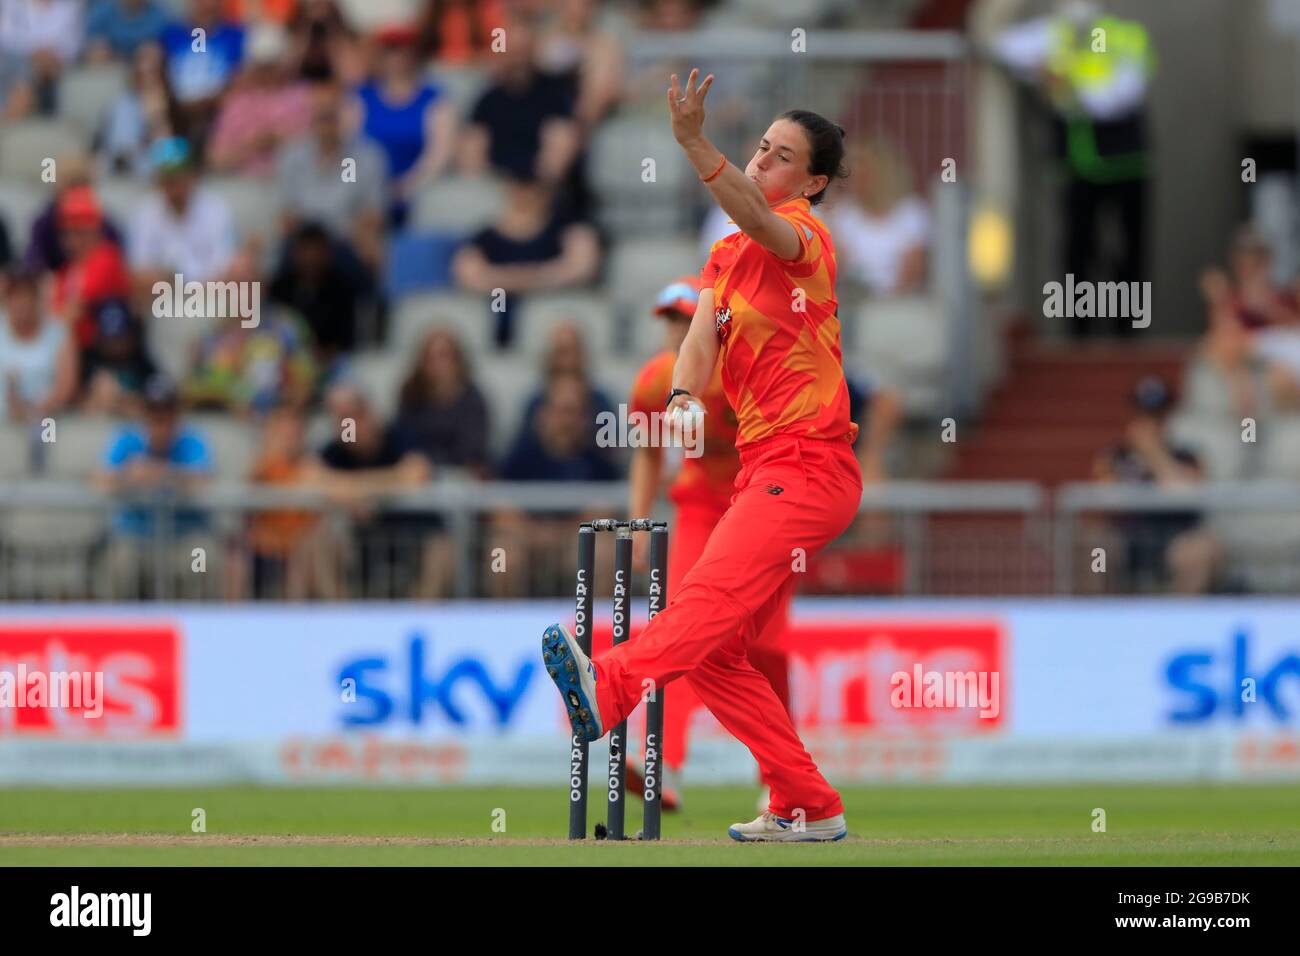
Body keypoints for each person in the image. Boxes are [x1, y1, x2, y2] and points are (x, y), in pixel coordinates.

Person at [542, 71, 860, 842]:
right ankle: (808, 804)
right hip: (765, 469)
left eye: (783, 157)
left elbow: (756, 212)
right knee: (715, 652)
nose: (762, 164)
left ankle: (610, 686)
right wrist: (685, 397)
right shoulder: (724, 258)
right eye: (760, 148)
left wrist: (691, 142)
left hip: (811, 464)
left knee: (705, 606)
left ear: (812, 183)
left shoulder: (807, 241)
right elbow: (699, 338)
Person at [623, 274, 795, 813]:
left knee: (765, 645)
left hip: (764, 505)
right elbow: (648, 453)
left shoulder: (749, 370)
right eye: (669, 320)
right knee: (680, 629)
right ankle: (663, 764)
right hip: (700, 506)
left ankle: (780, 774)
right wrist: (637, 524)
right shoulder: (655, 382)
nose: (676, 329)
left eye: (684, 317)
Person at [450, 171, 600, 347]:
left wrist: (512, 279)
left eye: (533, 190)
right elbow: (467, 275)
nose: (526, 196)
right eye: (520, 189)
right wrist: (531, 278)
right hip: (499, 312)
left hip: (551, 318)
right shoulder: (485, 237)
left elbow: (581, 268)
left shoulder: (568, 230)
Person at [0, 267, 78, 423]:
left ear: (37, 298)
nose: (21, 302)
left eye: (26, 295)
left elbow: (66, 384)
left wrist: (38, 409)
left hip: (47, 423)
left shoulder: (58, 332)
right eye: (15, 295)